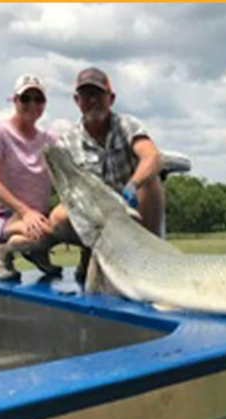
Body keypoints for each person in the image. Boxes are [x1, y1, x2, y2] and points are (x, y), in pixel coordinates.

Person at [51, 67, 165, 284]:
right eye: (86, 95)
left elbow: (152, 157)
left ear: (111, 98)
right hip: (96, 214)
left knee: (151, 183)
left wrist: (132, 185)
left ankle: (152, 258)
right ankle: (91, 254)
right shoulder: (67, 141)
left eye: (98, 94)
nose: (92, 100)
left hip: (132, 209)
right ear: (77, 100)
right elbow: (66, 189)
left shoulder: (127, 125)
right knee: (57, 218)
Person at [0, 74, 63, 281]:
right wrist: (25, 212)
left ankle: (36, 251)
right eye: (26, 99)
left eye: (38, 99)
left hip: (38, 215)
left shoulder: (49, 139)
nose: (32, 104)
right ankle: (3, 251)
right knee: (43, 233)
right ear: (15, 101)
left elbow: (71, 166)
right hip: (4, 215)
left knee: (68, 226)